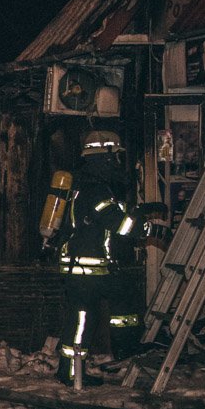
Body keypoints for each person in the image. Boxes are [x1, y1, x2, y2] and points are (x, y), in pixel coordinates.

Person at [49, 131, 164, 388]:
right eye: (116, 157)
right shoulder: (95, 188)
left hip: (83, 268)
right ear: (106, 157)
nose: (118, 163)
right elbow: (117, 222)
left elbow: (108, 218)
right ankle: (74, 372)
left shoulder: (86, 184)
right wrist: (152, 230)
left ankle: (78, 368)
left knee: (89, 315)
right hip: (85, 270)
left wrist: (142, 211)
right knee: (83, 321)